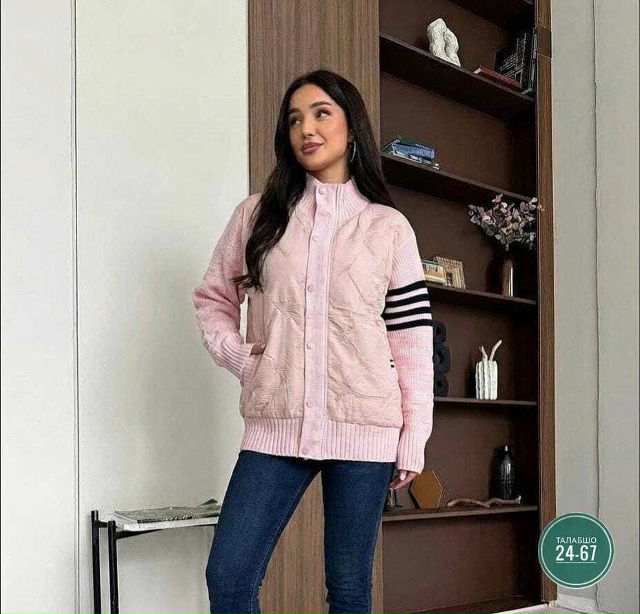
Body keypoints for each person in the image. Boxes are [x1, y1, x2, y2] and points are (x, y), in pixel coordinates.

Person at [192, 68, 434, 614]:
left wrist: (413, 434)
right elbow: (213, 298)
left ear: (351, 125)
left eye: (322, 113)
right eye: (295, 119)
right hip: (276, 421)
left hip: (367, 426)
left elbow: (411, 338)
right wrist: (240, 357)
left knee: (348, 590)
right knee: (229, 576)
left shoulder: (389, 227)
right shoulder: (257, 216)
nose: (307, 128)